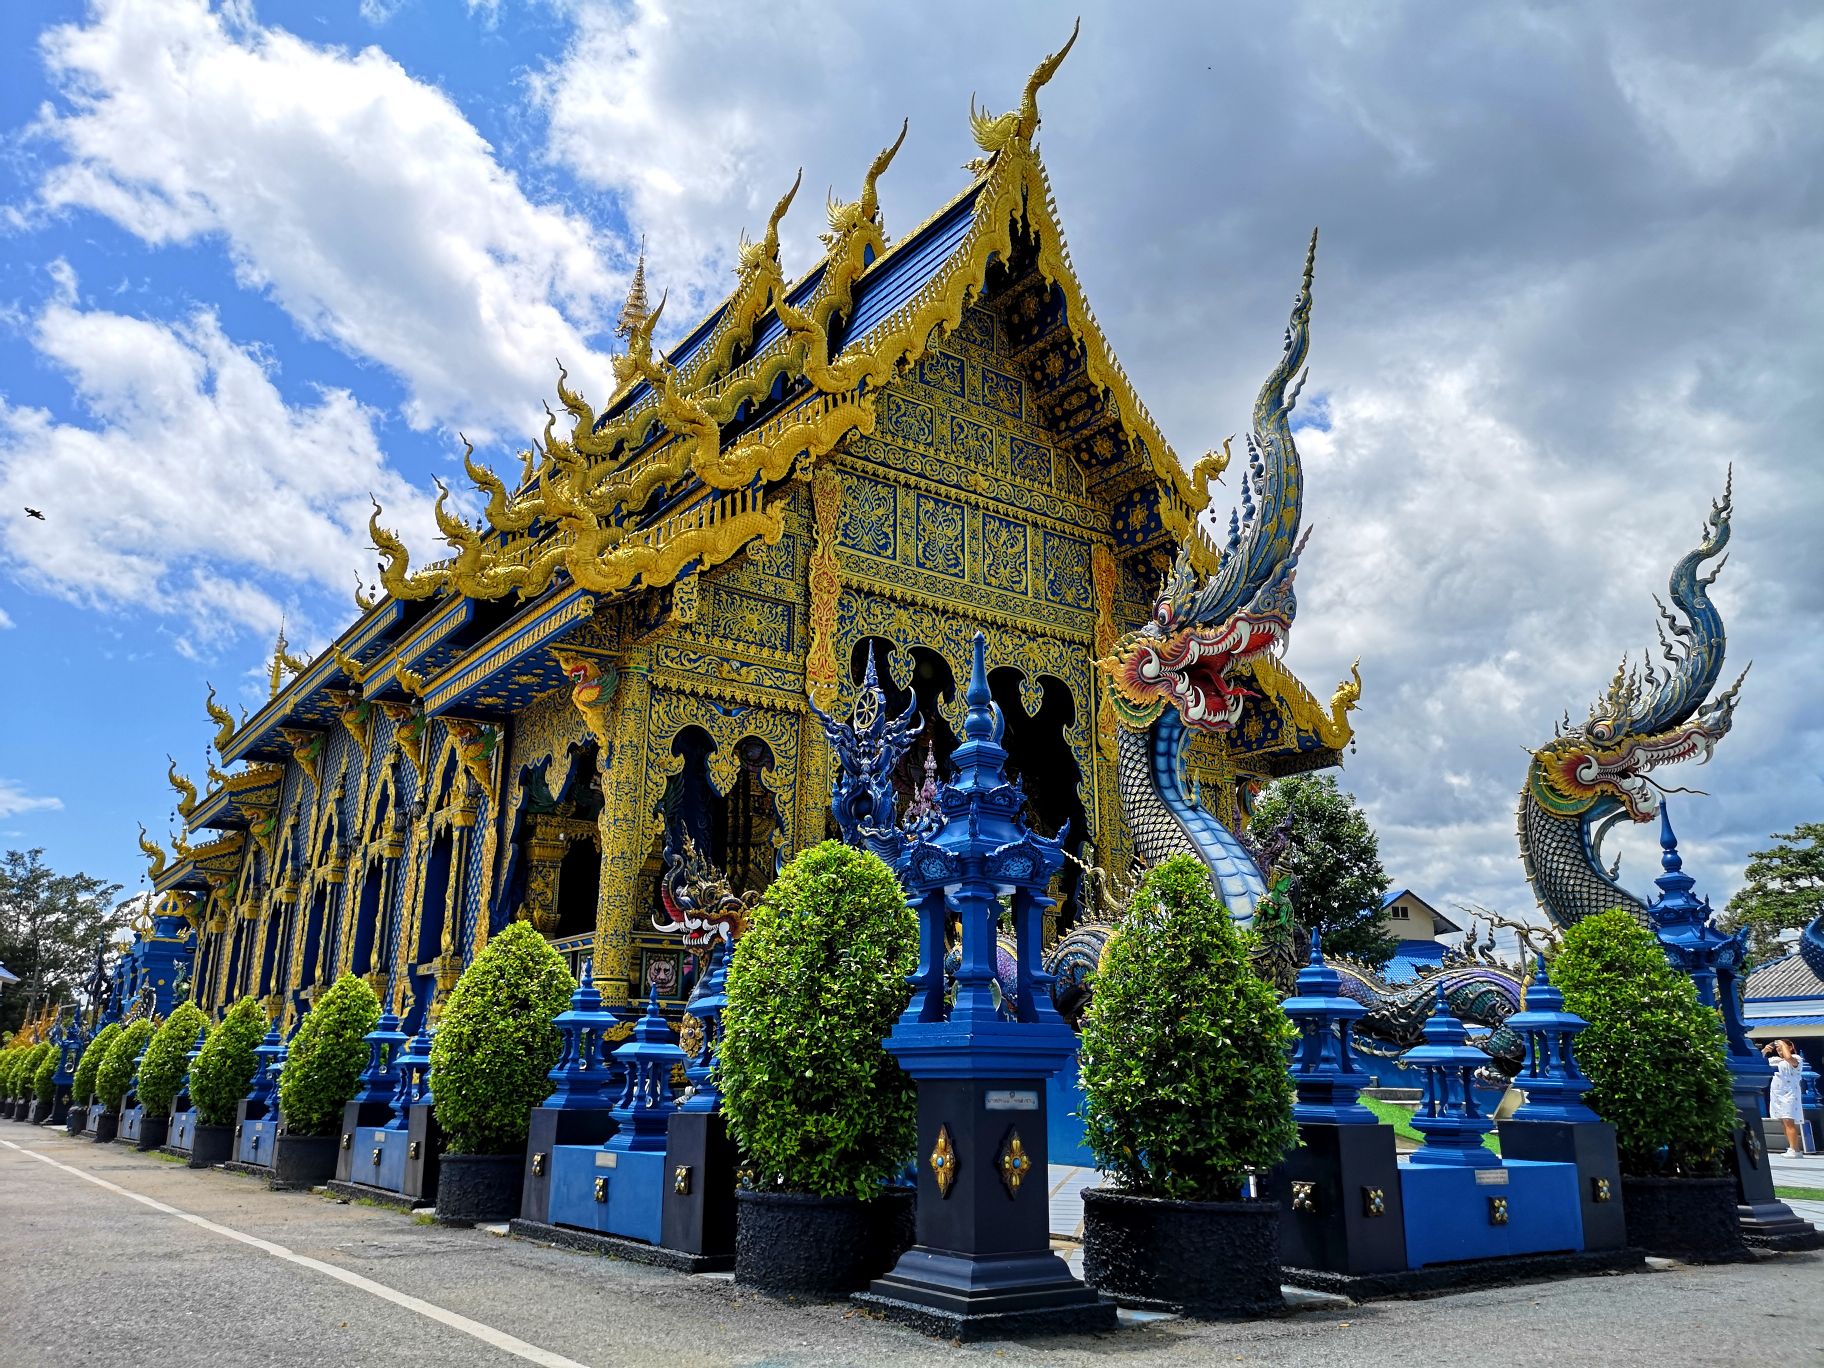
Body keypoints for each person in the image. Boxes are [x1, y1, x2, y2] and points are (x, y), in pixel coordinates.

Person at [1762, 1038, 1807, 1157]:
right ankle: (1791, 1147)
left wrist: (1781, 1043)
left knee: (1789, 1121)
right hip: (1778, 1094)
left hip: (1789, 1094)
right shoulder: (1776, 1060)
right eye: (1777, 1049)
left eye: (1781, 1048)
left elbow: (1788, 1058)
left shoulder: (1796, 1058)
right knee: (1784, 1122)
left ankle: (1795, 1149)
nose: (1779, 1050)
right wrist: (1765, 1050)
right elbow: (1760, 1061)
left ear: (1790, 1048)